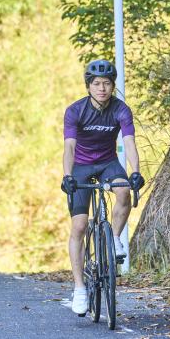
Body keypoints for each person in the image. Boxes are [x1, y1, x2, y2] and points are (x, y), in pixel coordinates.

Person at [61, 59, 145, 315]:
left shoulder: (121, 110)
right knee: (79, 225)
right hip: (82, 167)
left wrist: (135, 171)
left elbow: (129, 142)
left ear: (112, 86)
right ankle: (79, 289)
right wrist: (67, 175)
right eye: (96, 84)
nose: (102, 88)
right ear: (88, 86)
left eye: (106, 83)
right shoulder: (75, 111)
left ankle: (116, 239)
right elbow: (70, 147)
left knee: (123, 191)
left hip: (108, 163)